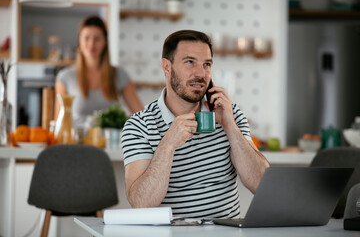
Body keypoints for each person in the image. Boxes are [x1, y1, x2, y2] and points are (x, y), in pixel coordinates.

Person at [121, 30, 270, 219]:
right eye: (190, 62)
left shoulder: (230, 114)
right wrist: (168, 144)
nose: (201, 74)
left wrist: (230, 126)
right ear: (167, 67)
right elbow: (141, 203)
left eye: (207, 64)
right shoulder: (139, 126)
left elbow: (261, 185)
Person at [55, 16, 143, 127]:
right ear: (79, 42)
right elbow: (58, 122)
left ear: (105, 42)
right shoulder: (65, 77)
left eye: (97, 38)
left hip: (111, 142)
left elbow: (141, 115)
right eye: (86, 38)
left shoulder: (119, 75)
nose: (91, 44)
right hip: (77, 143)